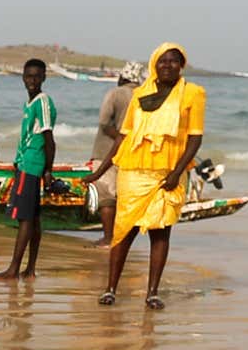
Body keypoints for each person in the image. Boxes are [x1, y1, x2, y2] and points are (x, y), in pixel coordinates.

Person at [85, 44, 204, 309]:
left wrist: (176, 173)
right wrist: (101, 171)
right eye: (163, 61)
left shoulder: (193, 94)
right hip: (133, 172)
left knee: (160, 233)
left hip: (167, 174)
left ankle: (152, 293)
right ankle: (110, 289)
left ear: (181, 66)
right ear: (153, 64)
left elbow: (195, 140)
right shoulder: (139, 95)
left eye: (174, 61)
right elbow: (124, 137)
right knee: (123, 231)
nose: (168, 65)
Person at [0, 59, 57, 280]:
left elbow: (49, 139)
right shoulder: (29, 103)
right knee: (34, 218)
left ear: (44, 77)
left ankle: (13, 269)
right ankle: (29, 270)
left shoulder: (43, 101)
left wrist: (48, 170)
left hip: (32, 165)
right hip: (25, 163)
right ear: (22, 78)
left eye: (37, 76)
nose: (32, 81)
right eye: (28, 76)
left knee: (25, 219)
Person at [85, 61, 144, 246]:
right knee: (124, 197)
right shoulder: (144, 96)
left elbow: (104, 123)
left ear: (122, 77)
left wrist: (121, 139)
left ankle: (109, 237)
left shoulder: (115, 94)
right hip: (134, 154)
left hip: (106, 151)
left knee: (106, 196)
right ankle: (122, 238)